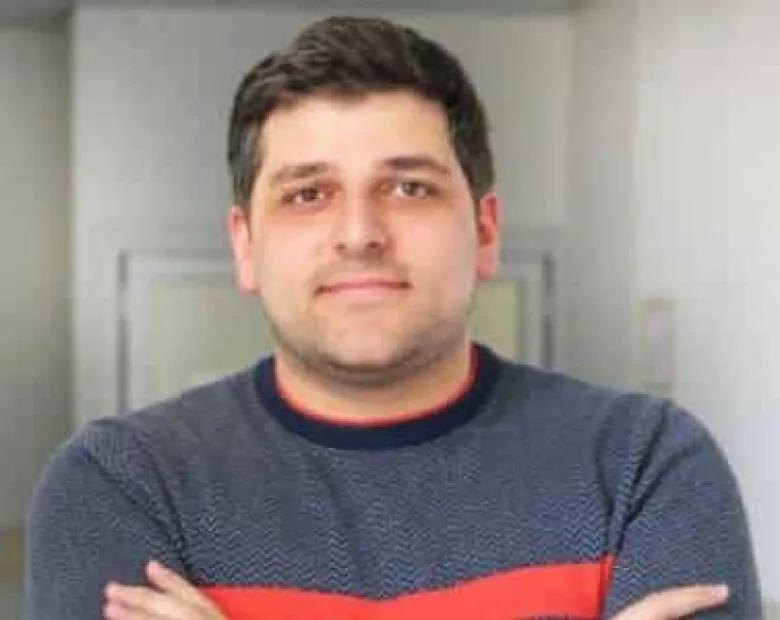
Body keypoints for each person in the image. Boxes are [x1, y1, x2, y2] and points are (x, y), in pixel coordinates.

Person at [26, 15, 762, 620]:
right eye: (308, 194)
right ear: (245, 247)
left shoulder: (644, 465)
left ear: (485, 231)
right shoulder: (123, 483)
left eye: (409, 188)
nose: (359, 234)